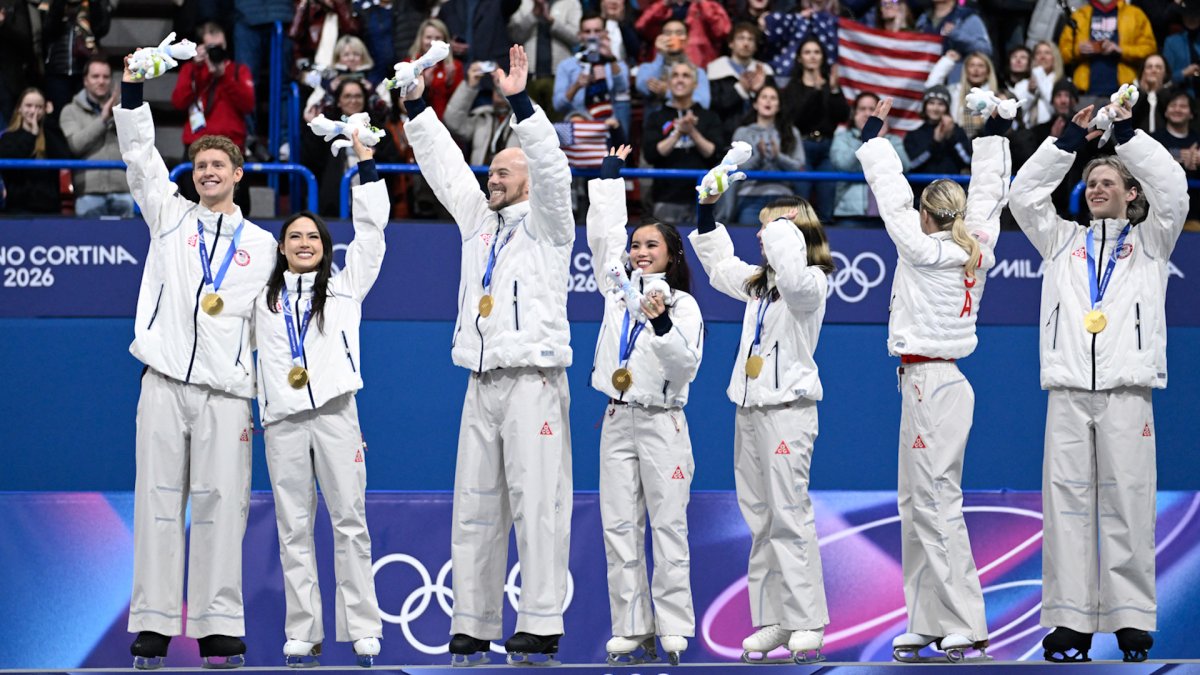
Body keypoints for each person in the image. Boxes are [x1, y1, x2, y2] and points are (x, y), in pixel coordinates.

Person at [401, 44, 575, 666]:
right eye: (493, 172)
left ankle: (541, 621)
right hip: (480, 379)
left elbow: (554, 171)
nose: (491, 178)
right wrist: (418, 105)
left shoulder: (551, 225)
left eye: (503, 171)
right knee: (474, 509)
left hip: (533, 379)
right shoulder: (479, 220)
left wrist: (522, 105)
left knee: (538, 507)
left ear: (526, 179)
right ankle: (471, 623)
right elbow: (445, 165)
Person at [1008, 97, 1188, 664]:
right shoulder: (1061, 241)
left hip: (1127, 390)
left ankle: (1131, 619)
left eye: (1109, 181)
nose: (1097, 188)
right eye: (1092, 182)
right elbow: (1022, 196)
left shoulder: (1152, 243)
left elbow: (1175, 187)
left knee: (1128, 502)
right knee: (1065, 507)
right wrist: (1068, 143)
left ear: (1132, 193)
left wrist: (1127, 135)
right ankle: (1069, 621)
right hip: (1067, 390)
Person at [115, 51, 277, 670]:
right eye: (200, 164)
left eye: (219, 164)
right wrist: (134, 86)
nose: (208, 171)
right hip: (161, 383)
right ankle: (154, 627)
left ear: (238, 173)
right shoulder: (168, 218)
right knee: (156, 501)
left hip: (227, 392)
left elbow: (271, 328)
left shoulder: (263, 247)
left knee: (222, 507)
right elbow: (138, 156)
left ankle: (218, 629)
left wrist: (267, 395)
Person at [858, 96, 1011, 663]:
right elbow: (990, 191)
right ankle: (926, 619)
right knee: (914, 502)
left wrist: (874, 136)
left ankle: (967, 623)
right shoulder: (980, 242)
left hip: (931, 385)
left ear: (928, 214)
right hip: (930, 384)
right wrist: (994, 132)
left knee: (937, 502)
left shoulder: (922, 248)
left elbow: (891, 194)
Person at [688, 189, 834, 665]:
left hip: (788, 412)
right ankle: (775, 617)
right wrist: (706, 210)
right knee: (760, 519)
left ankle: (808, 620)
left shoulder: (811, 282)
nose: (760, 235)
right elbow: (719, 266)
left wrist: (782, 229)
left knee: (789, 516)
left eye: (770, 227)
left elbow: (792, 278)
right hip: (749, 410)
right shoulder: (759, 284)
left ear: (792, 232)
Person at [258, 130, 387, 669]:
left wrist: (367, 164)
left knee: (349, 522)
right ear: (282, 246)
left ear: (324, 246)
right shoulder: (259, 298)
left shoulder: (345, 286)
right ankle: (302, 631)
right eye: (295, 237)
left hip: (336, 415)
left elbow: (374, 234)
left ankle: (362, 629)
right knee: (293, 529)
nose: (305, 243)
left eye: (312, 236)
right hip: (283, 422)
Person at [587, 145, 704, 666]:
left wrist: (658, 323)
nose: (638, 251)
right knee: (618, 526)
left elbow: (685, 367)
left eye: (650, 245)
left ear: (671, 254)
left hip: (663, 424)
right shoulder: (616, 294)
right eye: (635, 245)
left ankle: (674, 627)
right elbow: (603, 238)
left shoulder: (684, 306)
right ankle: (632, 627)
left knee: (668, 526)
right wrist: (610, 179)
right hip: (616, 418)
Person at [301, 78, 401, 217]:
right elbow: (311, 159)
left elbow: (394, 163)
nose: (353, 100)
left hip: (373, 206)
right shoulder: (329, 128)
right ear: (338, 101)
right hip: (334, 207)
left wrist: (373, 155)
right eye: (347, 96)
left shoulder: (378, 130)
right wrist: (312, 126)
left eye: (358, 96)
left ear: (365, 99)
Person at [642, 60, 724, 225]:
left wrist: (692, 132)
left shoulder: (709, 116)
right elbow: (651, 155)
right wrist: (678, 132)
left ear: (695, 84)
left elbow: (715, 154)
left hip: (703, 198)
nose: (680, 80)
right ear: (668, 82)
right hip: (665, 197)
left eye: (686, 76)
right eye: (675, 75)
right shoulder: (656, 117)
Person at [782, 38, 847, 222]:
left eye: (817, 52)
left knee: (827, 202)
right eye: (807, 52)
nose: (812, 56)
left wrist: (833, 90)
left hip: (827, 147)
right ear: (800, 58)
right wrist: (815, 92)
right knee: (801, 205)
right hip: (802, 147)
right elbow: (795, 119)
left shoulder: (830, 85)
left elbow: (842, 115)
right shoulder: (792, 88)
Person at [59, 57, 133, 218]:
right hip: (88, 193)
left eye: (106, 77)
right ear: (85, 80)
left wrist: (120, 115)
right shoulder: (70, 111)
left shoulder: (123, 109)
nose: (101, 81)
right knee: (88, 241)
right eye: (95, 76)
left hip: (123, 190)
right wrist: (103, 119)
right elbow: (76, 145)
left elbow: (135, 144)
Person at [730, 84, 806, 224]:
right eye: (764, 97)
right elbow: (736, 169)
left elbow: (799, 167)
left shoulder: (791, 132)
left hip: (783, 198)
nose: (768, 101)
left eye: (773, 98)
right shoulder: (742, 132)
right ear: (755, 104)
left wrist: (778, 157)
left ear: (778, 106)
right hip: (750, 198)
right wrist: (759, 157)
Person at [830, 91, 909, 221]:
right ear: (854, 114)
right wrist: (866, 139)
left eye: (872, 109)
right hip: (850, 213)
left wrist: (880, 139)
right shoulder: (842, 138)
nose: (867, 113)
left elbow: (905, 166)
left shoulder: (893, 140)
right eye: (862, 109)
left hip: (888, 214)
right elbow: (843, 165)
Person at [1058, 0, 1156, 100]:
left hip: (1124, 94)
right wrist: (1078, 50)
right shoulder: (1079, 16)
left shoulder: (1135, 14)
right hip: (1085, 94)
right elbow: (1062, 54)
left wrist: (1121, 50)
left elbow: (1150, 50)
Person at [0, 87, 70, 214]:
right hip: (18, 209)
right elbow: (11, 159)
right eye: (28, 106)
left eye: (39, 107)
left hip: (49, 208)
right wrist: (31, 135)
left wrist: (50, 121)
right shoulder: (9, 137)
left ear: (45, 110)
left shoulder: (50, 135)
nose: (33, 111)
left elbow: (65, 156)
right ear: (19, 108)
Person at [508, 0, 583, 113]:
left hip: (559, 78)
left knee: (559, 126)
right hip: (528, 77)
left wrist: (552, 21)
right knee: (529, 123)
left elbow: (577, 38)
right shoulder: (523, 3)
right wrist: (533, 15)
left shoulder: (571, 3)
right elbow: (514, 36)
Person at [707, 22, 776, 140]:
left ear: (755, 46)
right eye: (741, 38)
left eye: (751, 39)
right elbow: (713, 106)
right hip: (724, 137)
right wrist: (741, 90)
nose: (746, 43)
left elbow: (775, 106)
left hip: (760, 138)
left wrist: (759, 90)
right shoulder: (715, 70)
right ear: (731, 43)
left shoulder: (765, 72)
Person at [636, 19, 713, 110]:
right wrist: (660, 54)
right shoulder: (647, 67)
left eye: (679, 33)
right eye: (668, 33)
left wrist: (668, 92)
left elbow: (703, 102)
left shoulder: (697, 72)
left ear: (687, 39)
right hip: (656, 121)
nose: (673, 37)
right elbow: (644, 88)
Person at [635, 0, 732, 69]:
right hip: (664, 67)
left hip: (699, 66)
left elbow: (723, 31)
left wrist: (702, 3)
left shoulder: (709, 5)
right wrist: (664, 4)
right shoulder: (661, 5)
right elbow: (641, 26)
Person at [925, 51, 999, 138]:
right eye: (972, 65)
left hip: (986, 145)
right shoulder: (954, 91)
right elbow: (931, 87)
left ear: (988, 72)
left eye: (980, 66)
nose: (976, 69)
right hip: (958, 143)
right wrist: (948, 60)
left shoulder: (996, 96)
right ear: (966, 70)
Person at [904, 85, 971, 176]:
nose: (935, 108)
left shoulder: (957, 131)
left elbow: (968, 161)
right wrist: (935, 142)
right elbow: (912, 165)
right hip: (922, 188)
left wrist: (951, 138)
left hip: (952, 187)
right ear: (925, 106)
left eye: (941, 104)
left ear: (947, 108)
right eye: (931, 103)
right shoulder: (914, 134)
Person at [1132, 54, 1170, 134]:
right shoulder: (1132, 92)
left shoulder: (1172, 93)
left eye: (1158, 67)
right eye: (1149, 67)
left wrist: (1159, 89)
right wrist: (1142, 91)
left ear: (1165, 73)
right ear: (1143, 72)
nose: (1154, 70)